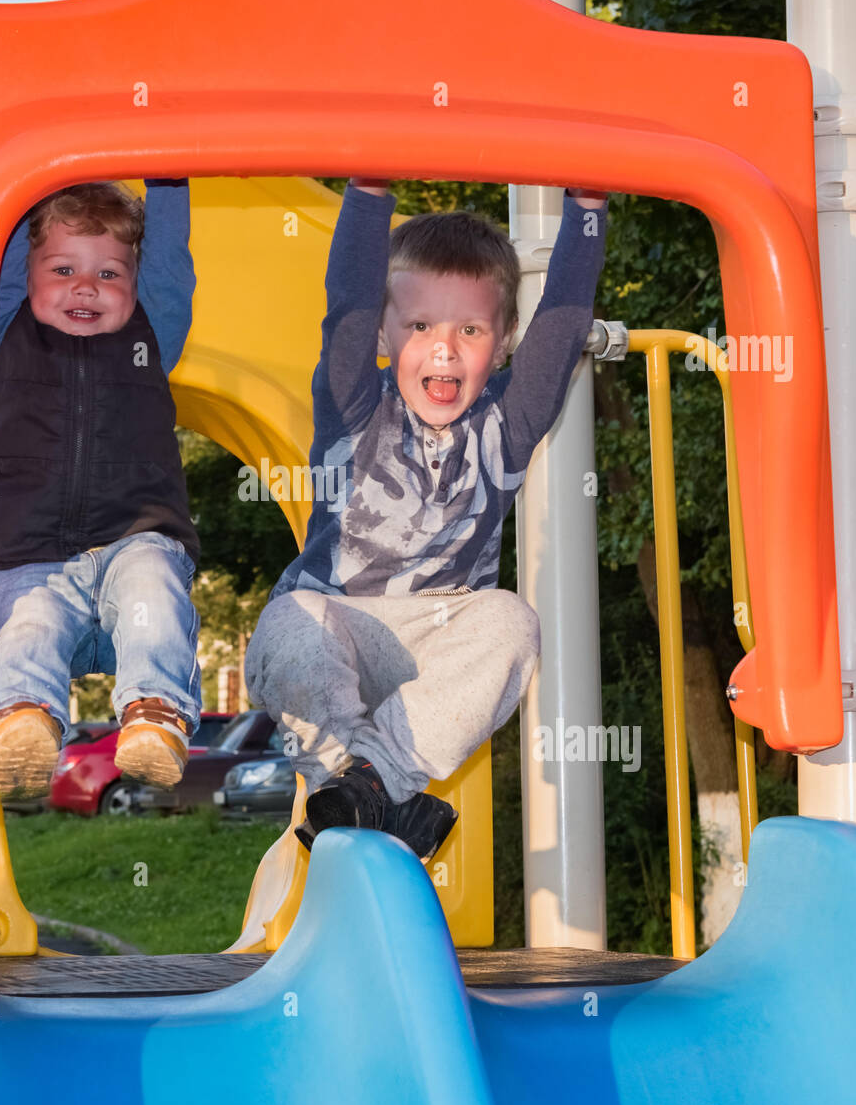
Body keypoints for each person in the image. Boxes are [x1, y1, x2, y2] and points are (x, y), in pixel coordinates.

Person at [245, 177, 609, 860]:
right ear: (385, 334)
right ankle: (369, 792)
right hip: (334, 623)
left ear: (502, 342)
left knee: (511, 621)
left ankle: (370, 783)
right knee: (293, 622)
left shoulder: (509, 423)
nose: (444, 350)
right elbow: (347, 303)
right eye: (419, 327)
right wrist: (369, 188)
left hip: (435, 643)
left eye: (470, 330)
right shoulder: (356, 407)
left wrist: (587, 211)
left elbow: (562, 325)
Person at [0, 179, 202, 800]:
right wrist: (38, 165)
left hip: (134, 536)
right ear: (28, 275)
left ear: (136, 285)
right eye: (63, 268)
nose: (87, 286)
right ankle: (22, 722)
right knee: (29, 621)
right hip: (26, 550)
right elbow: (6, 240)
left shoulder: (153, 331)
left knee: (154, 586)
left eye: (111, 274)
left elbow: (170, 255)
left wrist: (169, 171)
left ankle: (154, 717)